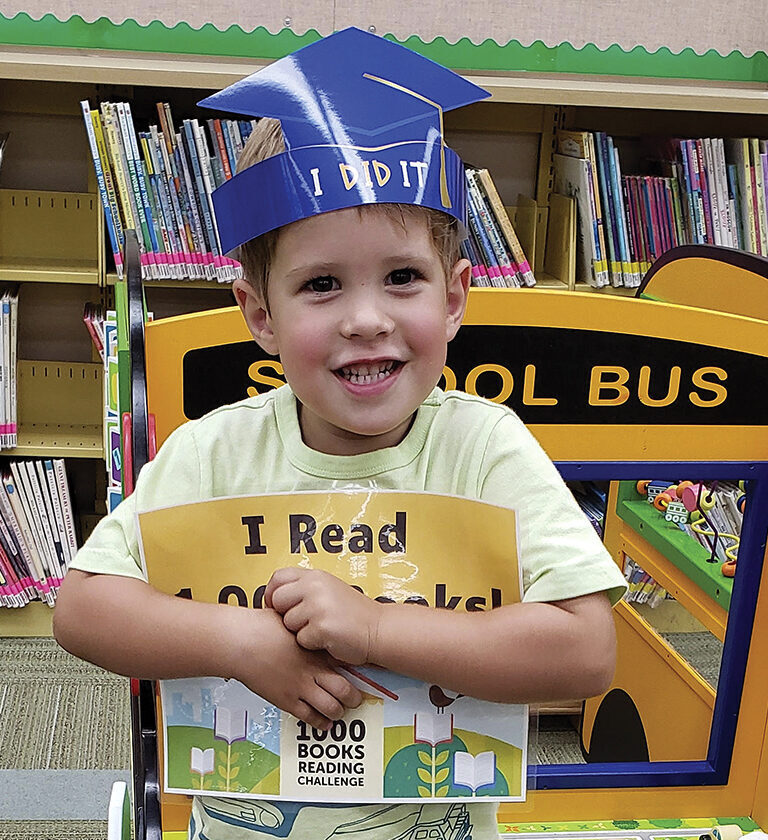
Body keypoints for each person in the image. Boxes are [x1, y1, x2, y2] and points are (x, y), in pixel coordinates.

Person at [54, 27, 627, 840]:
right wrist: (241, 638)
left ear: (455, 297)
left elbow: (585, 649)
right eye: (321, 285)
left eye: (403, 277)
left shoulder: (486, 448)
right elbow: (82, 610)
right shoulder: (214, 452)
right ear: (261, 314)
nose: (367, 319)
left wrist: (375, 626)